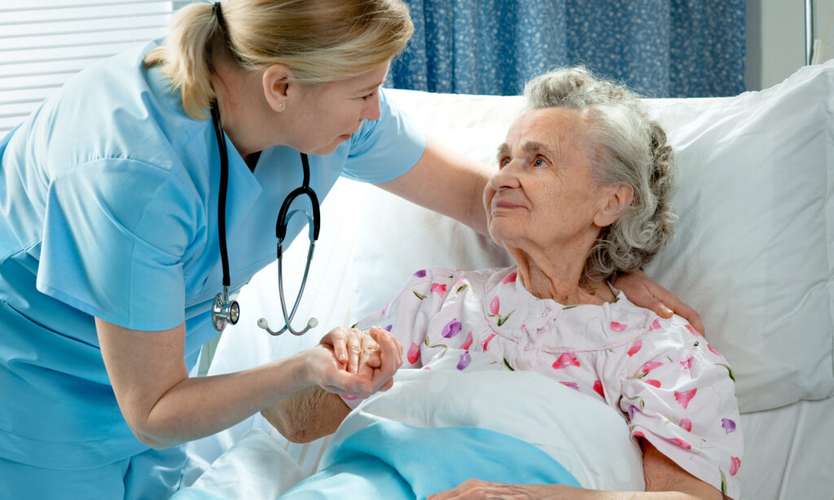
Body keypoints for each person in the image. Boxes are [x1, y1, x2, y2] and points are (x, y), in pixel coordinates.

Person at [0, 1, 701, 498]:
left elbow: (478, 198)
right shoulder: (131, 169)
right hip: (34, 386)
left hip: (164, 379)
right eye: (365, 92)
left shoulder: (660, 349)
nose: (377, 111)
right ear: (281, 86)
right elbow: (167, 409)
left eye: (539, 162)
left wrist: (613, 265)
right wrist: (310, 369)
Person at [267, 67, 743, 499]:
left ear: (611, 202)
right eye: (505, 159)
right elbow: (294, 423)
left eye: (538, 162)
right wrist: (324, 367)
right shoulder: (433, 301)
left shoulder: (664, 353)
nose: (502, 179)